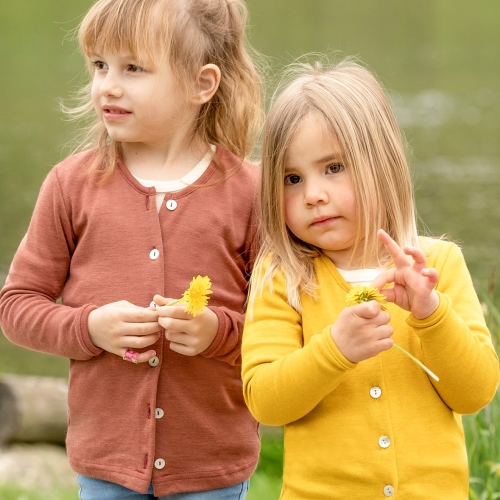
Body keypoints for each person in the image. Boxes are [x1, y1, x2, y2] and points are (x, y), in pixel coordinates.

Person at [0, 0, 263, 498]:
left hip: (212, 466)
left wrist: (217, 332)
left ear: (201, 85)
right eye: (100, 65)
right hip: (105, 465)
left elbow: (283, 323)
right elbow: (15, 306)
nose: (108, 85)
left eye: (133, 68)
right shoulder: (71, 185)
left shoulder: (250, 192)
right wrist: (89, 327)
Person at [241, 59, 499, 499]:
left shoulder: (437, 265)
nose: (313, 194)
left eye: (334, 167)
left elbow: (475, 392)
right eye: (292, 178)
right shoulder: (283, 277)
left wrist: (431, 314)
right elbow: (266, 400)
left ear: (380, 163)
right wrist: (334, 349)